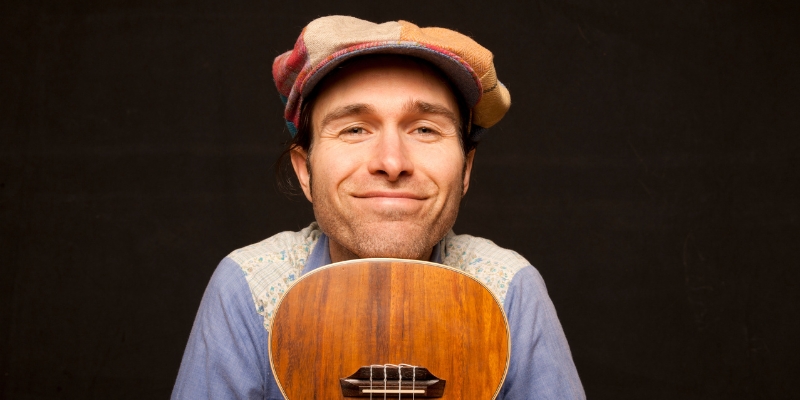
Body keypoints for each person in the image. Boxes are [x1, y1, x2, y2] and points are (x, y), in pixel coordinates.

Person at [172, 15, 585, 399]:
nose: (391, 162)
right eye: (355, 129)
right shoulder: (249, 287)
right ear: (304, 170)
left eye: (425, 129)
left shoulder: (509, 290)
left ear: (465, 169)